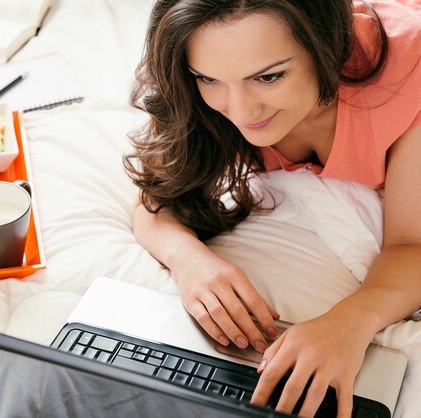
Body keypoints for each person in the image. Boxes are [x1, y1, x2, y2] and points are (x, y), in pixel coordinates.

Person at [124, 0, 421, 416]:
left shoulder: (411, 79)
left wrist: (349, 320)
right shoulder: (203, 96)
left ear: (327, 47)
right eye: (208, 78)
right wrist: (190, 261)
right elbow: (155, 197)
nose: (241, 112)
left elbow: (411, 245)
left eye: (269, 76)